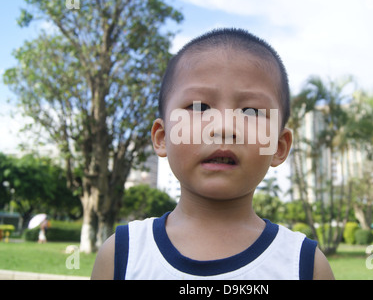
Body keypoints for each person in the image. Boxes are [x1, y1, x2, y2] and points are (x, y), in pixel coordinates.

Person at [91, 28, 335, 280]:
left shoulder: (304, 265)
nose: (223, 127)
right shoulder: (122, 254)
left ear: (279, 146)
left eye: (251, 111)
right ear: (162, 137)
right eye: (199, 107)